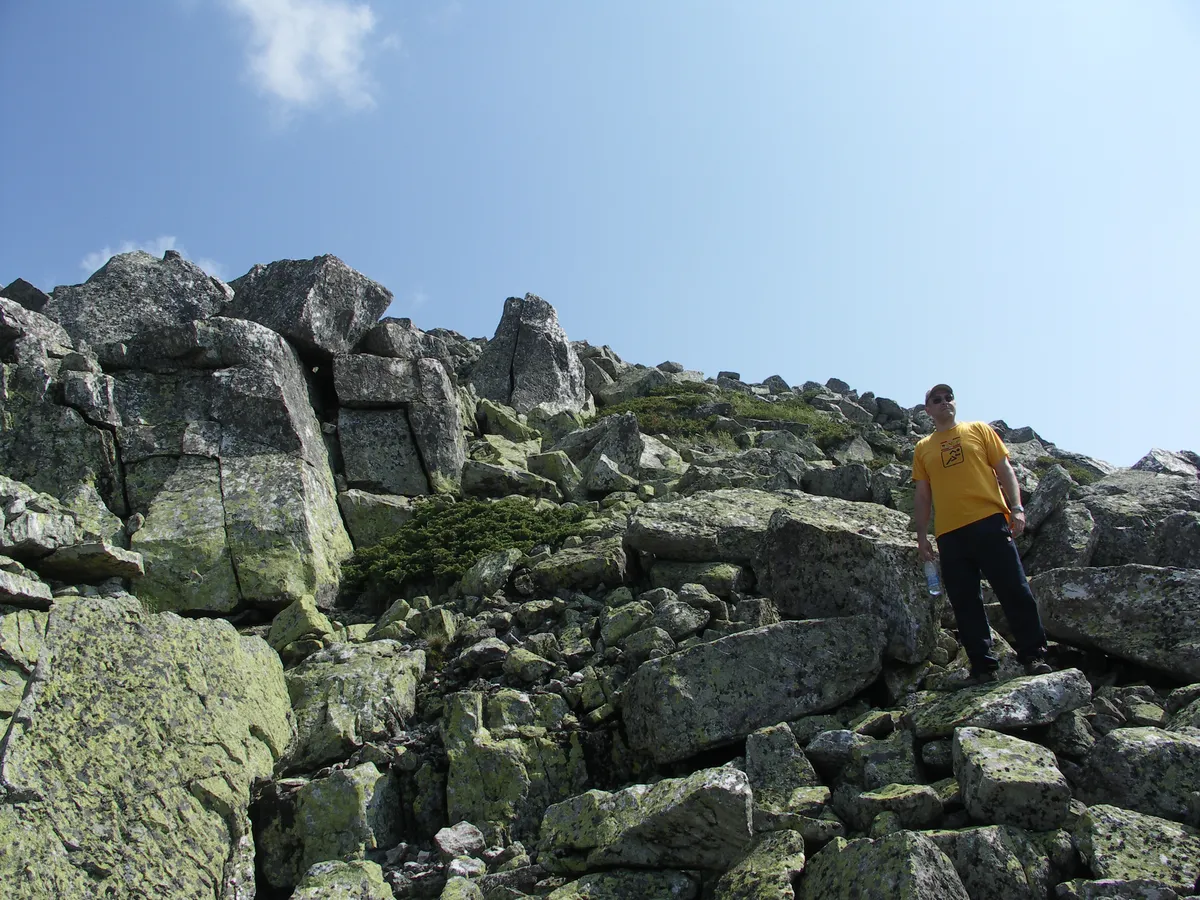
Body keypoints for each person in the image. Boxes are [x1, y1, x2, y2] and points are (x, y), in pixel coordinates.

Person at [912, 383, 1052, 685]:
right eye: (937, 400)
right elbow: (923, 495)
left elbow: (1004, 470)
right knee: (965, 601)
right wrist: (923, 536)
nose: (945, 402)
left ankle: (1034, 656)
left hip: (989, 521)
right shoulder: (923, 448)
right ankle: (982, 668)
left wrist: (1017, 508)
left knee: (1014, 588)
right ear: (928, 410)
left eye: (949, 397)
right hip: (949, 533)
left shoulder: (979, 430)